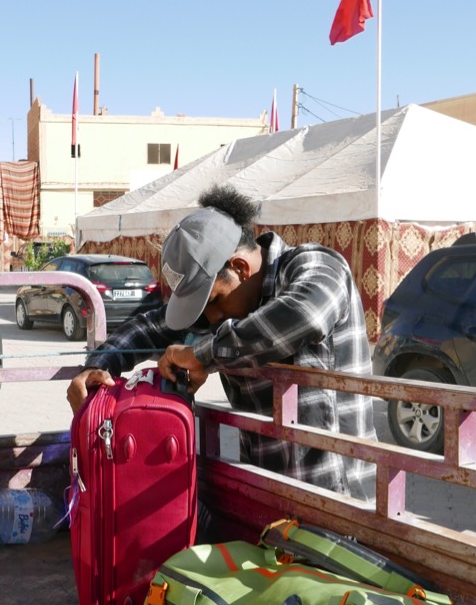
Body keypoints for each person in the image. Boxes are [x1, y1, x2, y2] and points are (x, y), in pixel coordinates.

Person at [67, 186, 376, 501]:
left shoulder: (316, 266)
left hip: (340, 501)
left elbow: (305, 315)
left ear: (240, 268)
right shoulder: (220, 311)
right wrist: (98, 365)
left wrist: (202, 355)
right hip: (269, 497)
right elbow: (150, 327)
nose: (209, 318)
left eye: (212, 302)